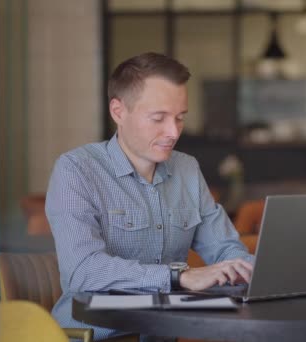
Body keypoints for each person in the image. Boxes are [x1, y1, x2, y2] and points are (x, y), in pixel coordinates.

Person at [45, 52, 254, 341]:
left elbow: (227, 249)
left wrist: (250, 270)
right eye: (159, 118)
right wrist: (177, 276)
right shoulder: (76, 170)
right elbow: (83, 270)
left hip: (163, 333)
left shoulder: (187, 168)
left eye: (180, 118)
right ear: (118, 111)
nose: (173, 132)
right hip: (94, 335)